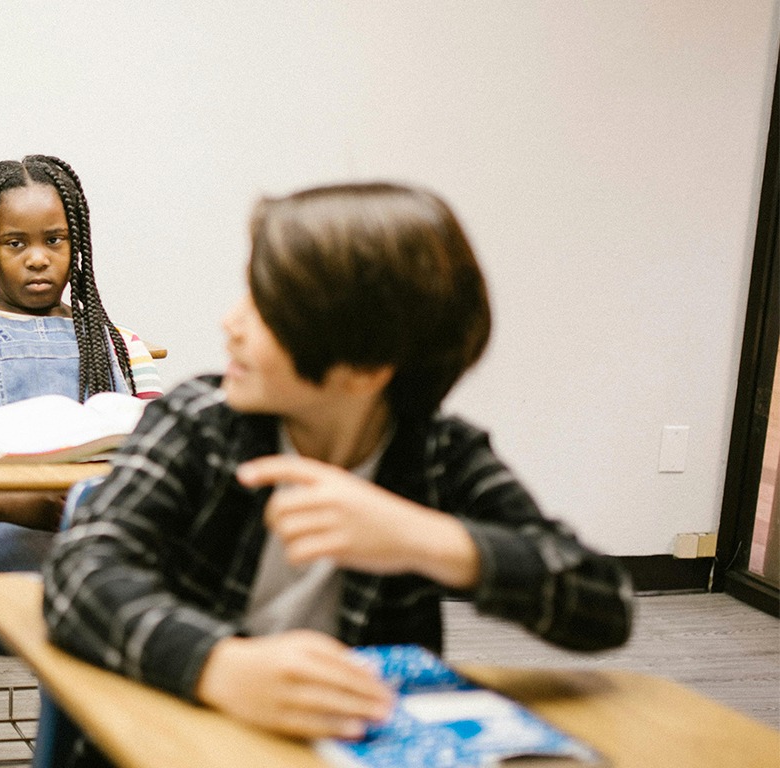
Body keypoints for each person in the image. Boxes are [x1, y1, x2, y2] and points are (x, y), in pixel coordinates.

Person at [42, 182, 633, 766]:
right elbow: (79, 571)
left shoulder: (437, 457)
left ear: (365, 365)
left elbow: (604, 606)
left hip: (345, 745)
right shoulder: (200, 424)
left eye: (264, 307)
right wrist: (218, 665)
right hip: (178, 736)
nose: (231, 323)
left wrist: (427, 538)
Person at [0, 155, 162, 580]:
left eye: (54, 240)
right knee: (81, 585)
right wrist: (6, 503)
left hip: (106, 526)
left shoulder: (121, 344)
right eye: (16, 243)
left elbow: (165, 455)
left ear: (75, 244)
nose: (37, 258)